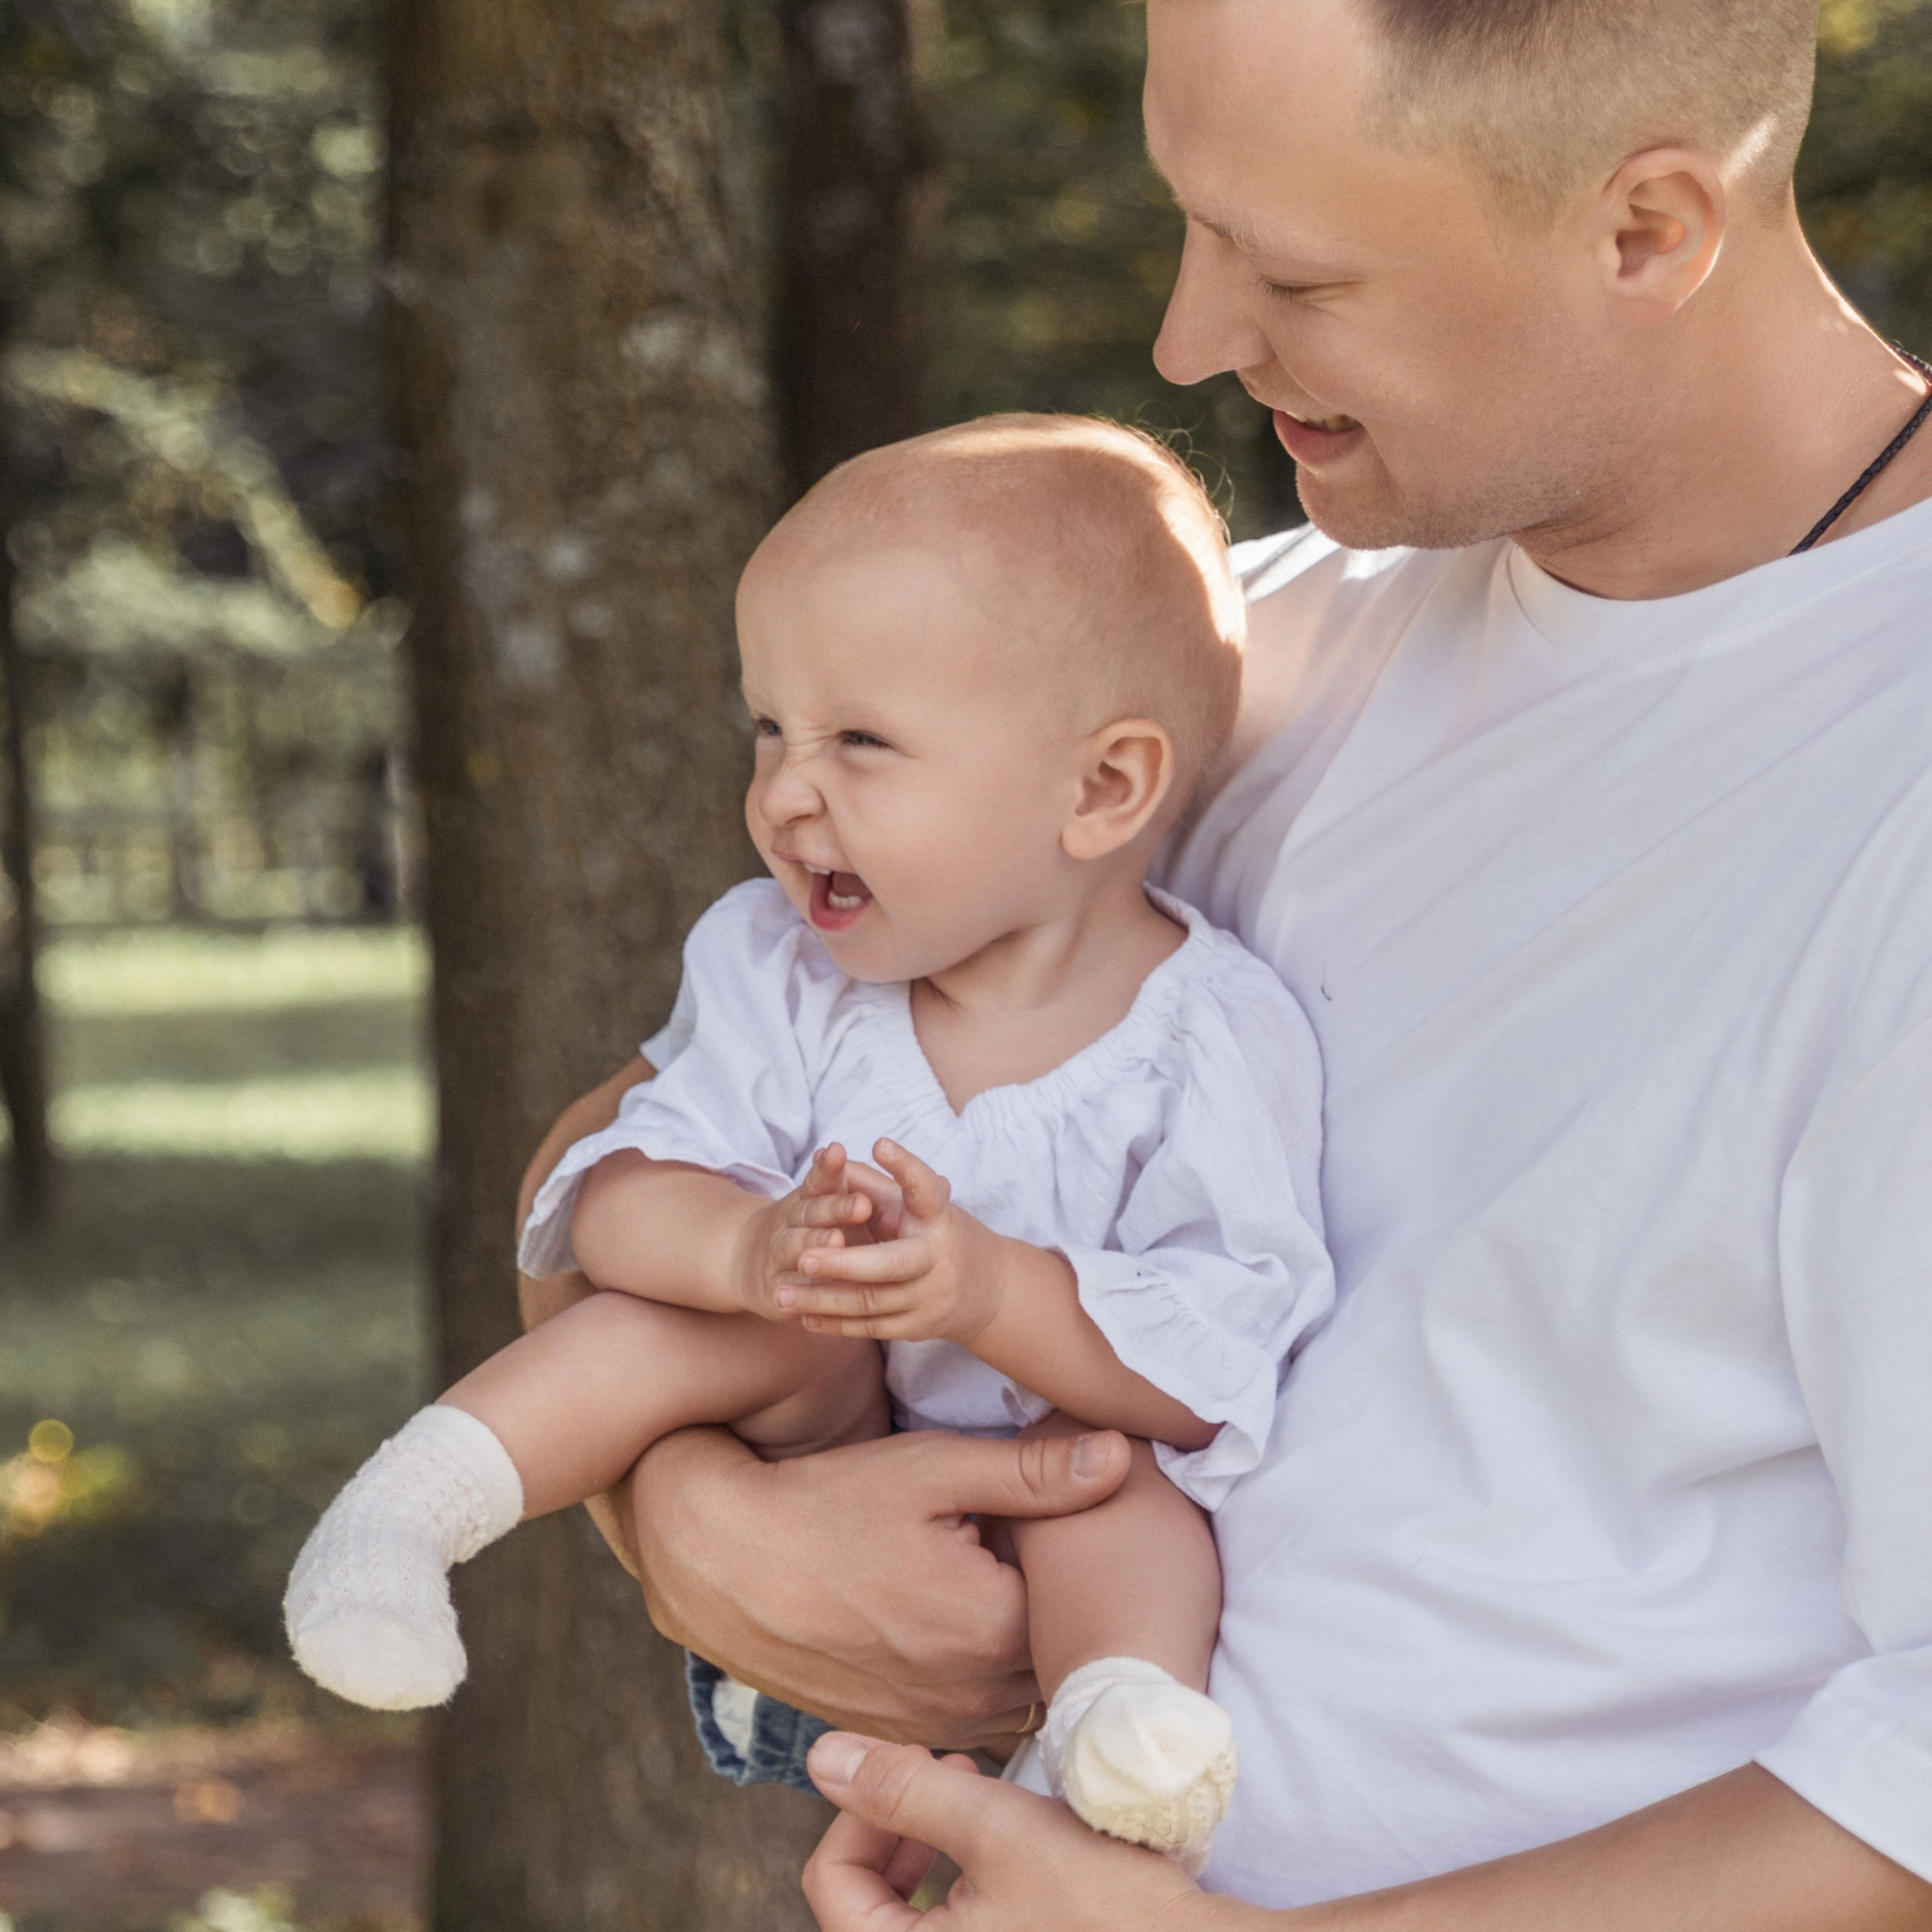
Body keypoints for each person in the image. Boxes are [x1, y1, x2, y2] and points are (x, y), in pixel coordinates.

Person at [529, 0, 1932, 1923]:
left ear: (1645, 229)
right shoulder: (1223, 655)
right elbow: (630, 1147)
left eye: (1292, 270)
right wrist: (693, 1516)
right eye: (1186, 221)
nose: (1186, 340)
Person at [283, 417, 1334, 1872]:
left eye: (860, 742)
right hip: (810, 1457)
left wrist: (991, 1294)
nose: (783, 794)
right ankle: (405, 1517)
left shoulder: (1209, 1036)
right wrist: (747, 1248)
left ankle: (1116, 1723)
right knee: (713, 1321)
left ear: (1100, 789)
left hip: (1034, 1549)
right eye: (769, 728)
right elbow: (608, 1198)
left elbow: (1217, 1360)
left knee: (1122, 1486)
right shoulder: (784, 973)